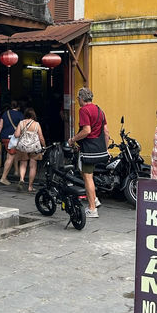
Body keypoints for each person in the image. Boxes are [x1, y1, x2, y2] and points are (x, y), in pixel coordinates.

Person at [68, 87, 110, 218]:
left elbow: (86, 130)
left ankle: (92, 209)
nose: (77, 100)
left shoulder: (84, 110)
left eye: (78, 98)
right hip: (100, 150)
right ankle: (95, 199)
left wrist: (73, 139)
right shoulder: (100, 110)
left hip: (88, 150)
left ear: (81, 98)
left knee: (87, 177)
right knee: (84, 173)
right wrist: (106, 148)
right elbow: (106, 131)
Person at [13, 107, 45, 192]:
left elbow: (16, 135)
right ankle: (30, 186)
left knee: (23, 164)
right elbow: (41, 137)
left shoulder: (21, 123)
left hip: (23, 147)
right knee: (33, 166)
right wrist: (44, 145)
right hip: (34, 147)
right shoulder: (36, 124)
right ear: (33, 115)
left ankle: (22, 179)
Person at [0, 100, 24, 185]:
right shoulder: (20, 115)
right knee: (10, 157)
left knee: (11, 155)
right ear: (18, 107)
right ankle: (3, 178)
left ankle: (14, 171)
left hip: (4, 137)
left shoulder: (5, 113)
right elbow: (22, 127)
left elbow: (0, 126)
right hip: (13, 138)